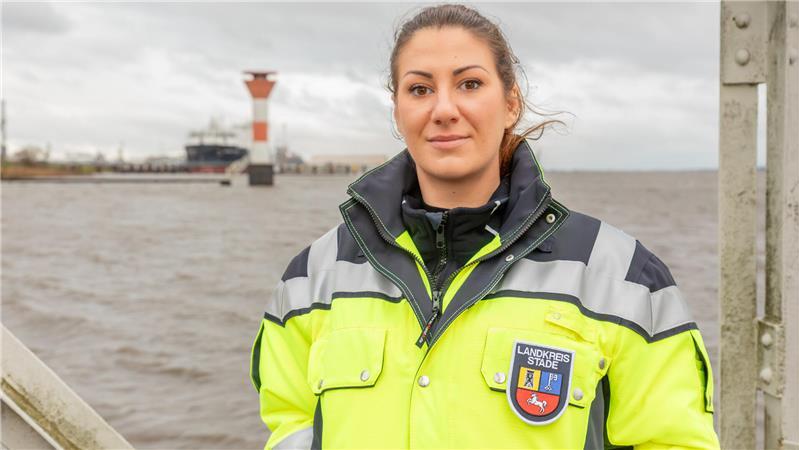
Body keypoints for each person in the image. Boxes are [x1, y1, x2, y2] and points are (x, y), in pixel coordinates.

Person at [250, 4, 720, 449]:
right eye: (420, 89)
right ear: (398, 111)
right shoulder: (311, 279)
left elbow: (672, 437)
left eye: (470, 84)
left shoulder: (622, 279)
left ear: (511, 102)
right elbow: (288, 420)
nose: (444, 109)